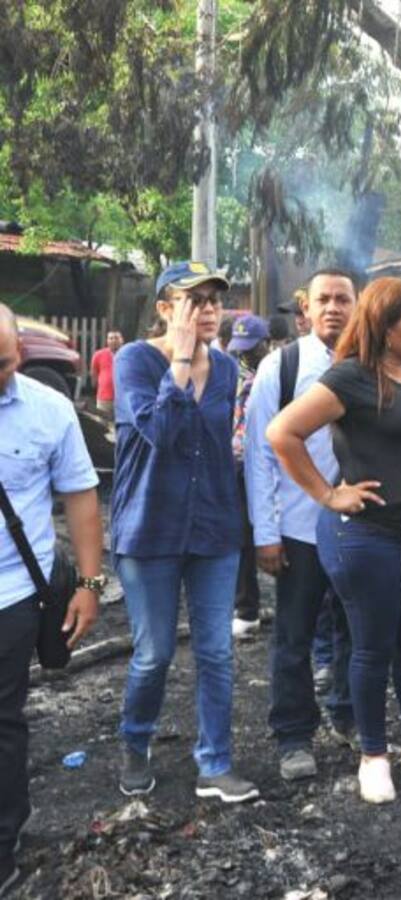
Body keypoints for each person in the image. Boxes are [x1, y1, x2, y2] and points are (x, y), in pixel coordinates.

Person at [267, 277, 401, 803]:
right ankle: (373, 756)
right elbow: (282, 433)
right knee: (371, 648)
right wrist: (327, 494)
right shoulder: (351, 378)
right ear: (385, 330)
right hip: (365, 538)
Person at [110, 261, 258, 803]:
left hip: (213, 530)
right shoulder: (134, 361)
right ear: (165, 310)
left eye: (215, 299)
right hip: (149, 530)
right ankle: (135, 742)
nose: (209, 309)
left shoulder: (225, 370)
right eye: (194, 300)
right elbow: (161, 433)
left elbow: (224, 450)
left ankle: (215, 763)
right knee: (154, 654)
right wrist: (178, 359)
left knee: (217, 651)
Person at [0, 303, 103, 896]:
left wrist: (89, 586)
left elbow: (82, 497)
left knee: (3, 722)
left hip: (13, 597)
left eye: (6, 362)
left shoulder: (49, 411)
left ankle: (3, 844)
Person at [245, 270, 357, 781]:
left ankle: (347, 714)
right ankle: (293, 737)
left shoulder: (372, 364)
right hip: (299, 529)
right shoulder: (282, 366)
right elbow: (260, 456)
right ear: (305, 309)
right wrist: (265, 533)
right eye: (324, 300)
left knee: (356, 632)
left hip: (359, 528)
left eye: (343, 299)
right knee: (293, 636)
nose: (334, 308)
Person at [227, 315, 271, 638]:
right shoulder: (233, 374)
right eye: (240, 349)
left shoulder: (278, 373)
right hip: (238, 464)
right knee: (241, 535)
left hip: (273, 464)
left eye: (251, 349)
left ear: (265, 345)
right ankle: (246, 608)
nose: (244, 355)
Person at [90, 330, 123, 415]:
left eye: (116, 338)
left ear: (122, 340)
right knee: (102, 424)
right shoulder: (98, 355)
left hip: (123, 398)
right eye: (111, 338)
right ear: (107, 341)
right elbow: (94, 374)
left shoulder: (128, 354)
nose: (113, 340)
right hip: (104, 398)